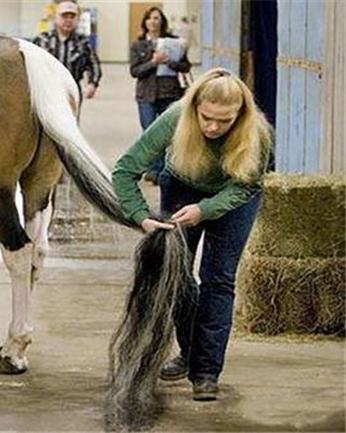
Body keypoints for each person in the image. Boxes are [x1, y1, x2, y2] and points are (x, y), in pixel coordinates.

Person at [112, 68, 272, 401]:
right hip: (182, 187)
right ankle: (189, 353)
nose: (213, 127)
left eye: (224, 121)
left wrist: (206, 210)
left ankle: (206, 372)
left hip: (234, 195)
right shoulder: (174, 118)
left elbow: (247, 186)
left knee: (218, 280)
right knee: (178, 277)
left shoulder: (258, 132)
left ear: (240, 115)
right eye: (206, 118)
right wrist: (141, 217)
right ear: (194, 107)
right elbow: (125, 170)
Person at [130, 6, 191, 184]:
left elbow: (185, 67)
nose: (153, 22)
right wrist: (153, 62)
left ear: (162, 21)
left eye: (156, 18)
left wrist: (169, 62)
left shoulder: (174, 42)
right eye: (149, 18)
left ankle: (163, 170)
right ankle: (153, 169)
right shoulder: (139, 45)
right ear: (145, 22)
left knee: (168, 133)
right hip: (146, 94)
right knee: (150, 132)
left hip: (169, 93)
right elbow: (134, 71)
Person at [33, 1, 102, 102]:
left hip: (72, 92)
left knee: (69, 118)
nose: (68, 20)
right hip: (46, 92)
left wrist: (92, 84)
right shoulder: (42, 40)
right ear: (56, 18)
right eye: (64, 16)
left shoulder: (83, 43)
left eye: (72, 17)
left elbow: (94, 64)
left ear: (77, 20)